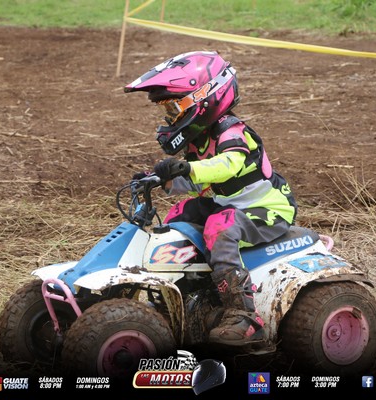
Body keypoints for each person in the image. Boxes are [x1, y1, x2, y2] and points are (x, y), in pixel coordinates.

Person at [125, 51, 298, 346]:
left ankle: (244, 316)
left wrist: (187, 167)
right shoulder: (199, 140)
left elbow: (227, 166)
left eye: (175, 107)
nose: (171, 117)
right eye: (168, 110)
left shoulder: (231, 131)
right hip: (229, 205)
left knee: (220, 226)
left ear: (205, 97)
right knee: (179, 214)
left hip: (268, 209)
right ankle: (182, 292)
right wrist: (161, 179)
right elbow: (200, 181)